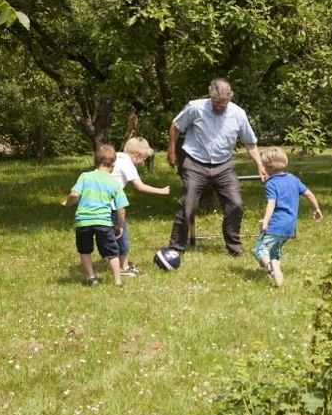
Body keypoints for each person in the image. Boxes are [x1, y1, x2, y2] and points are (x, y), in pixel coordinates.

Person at [166, 78, 267, 256]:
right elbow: (175, 127)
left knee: (235, 204)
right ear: (210, 96)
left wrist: (259, 164)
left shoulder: (238, 114)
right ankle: (175, 248)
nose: (219, 106)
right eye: (216, 102)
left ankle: (234, 248)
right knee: (187, 205)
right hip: (195, 162)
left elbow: (250, 143)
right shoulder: (195, 108)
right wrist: (171, 151)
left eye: (223, 103)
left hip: (224, 166)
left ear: (230, 98)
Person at [252, 147, 322, 287]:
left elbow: (271, 204)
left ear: (267, 167)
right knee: (275, 251)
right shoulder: (293, 179)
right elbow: (308, 194)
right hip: (290, 226)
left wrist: (265, 221)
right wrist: (316, 208)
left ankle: (271, 269)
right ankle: (275, 267)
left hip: (276, 225)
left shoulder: (271, 183)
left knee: (259, 249)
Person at [61, 144, 129, 286]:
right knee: (112, 252)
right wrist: (119, 225)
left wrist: (67, 204)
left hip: (83, 222)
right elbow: (121, 209)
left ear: (95, 161)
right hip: (103, 222)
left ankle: (91, 278)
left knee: (84, 250)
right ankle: (118, 281)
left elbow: (74, 194)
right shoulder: (114, 182)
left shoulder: (85, 176)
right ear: (114, 164)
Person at [111, 137, 171, 275]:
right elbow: (140, 186)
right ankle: (124, 268)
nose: (143, 162)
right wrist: (161, 191)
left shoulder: (116, 157)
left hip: (99, 202)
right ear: (138, 155)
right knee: (121, 234)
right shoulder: (127, 163)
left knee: (111, 235)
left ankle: (117, 263)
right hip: (112, 205)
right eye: (144, 158)